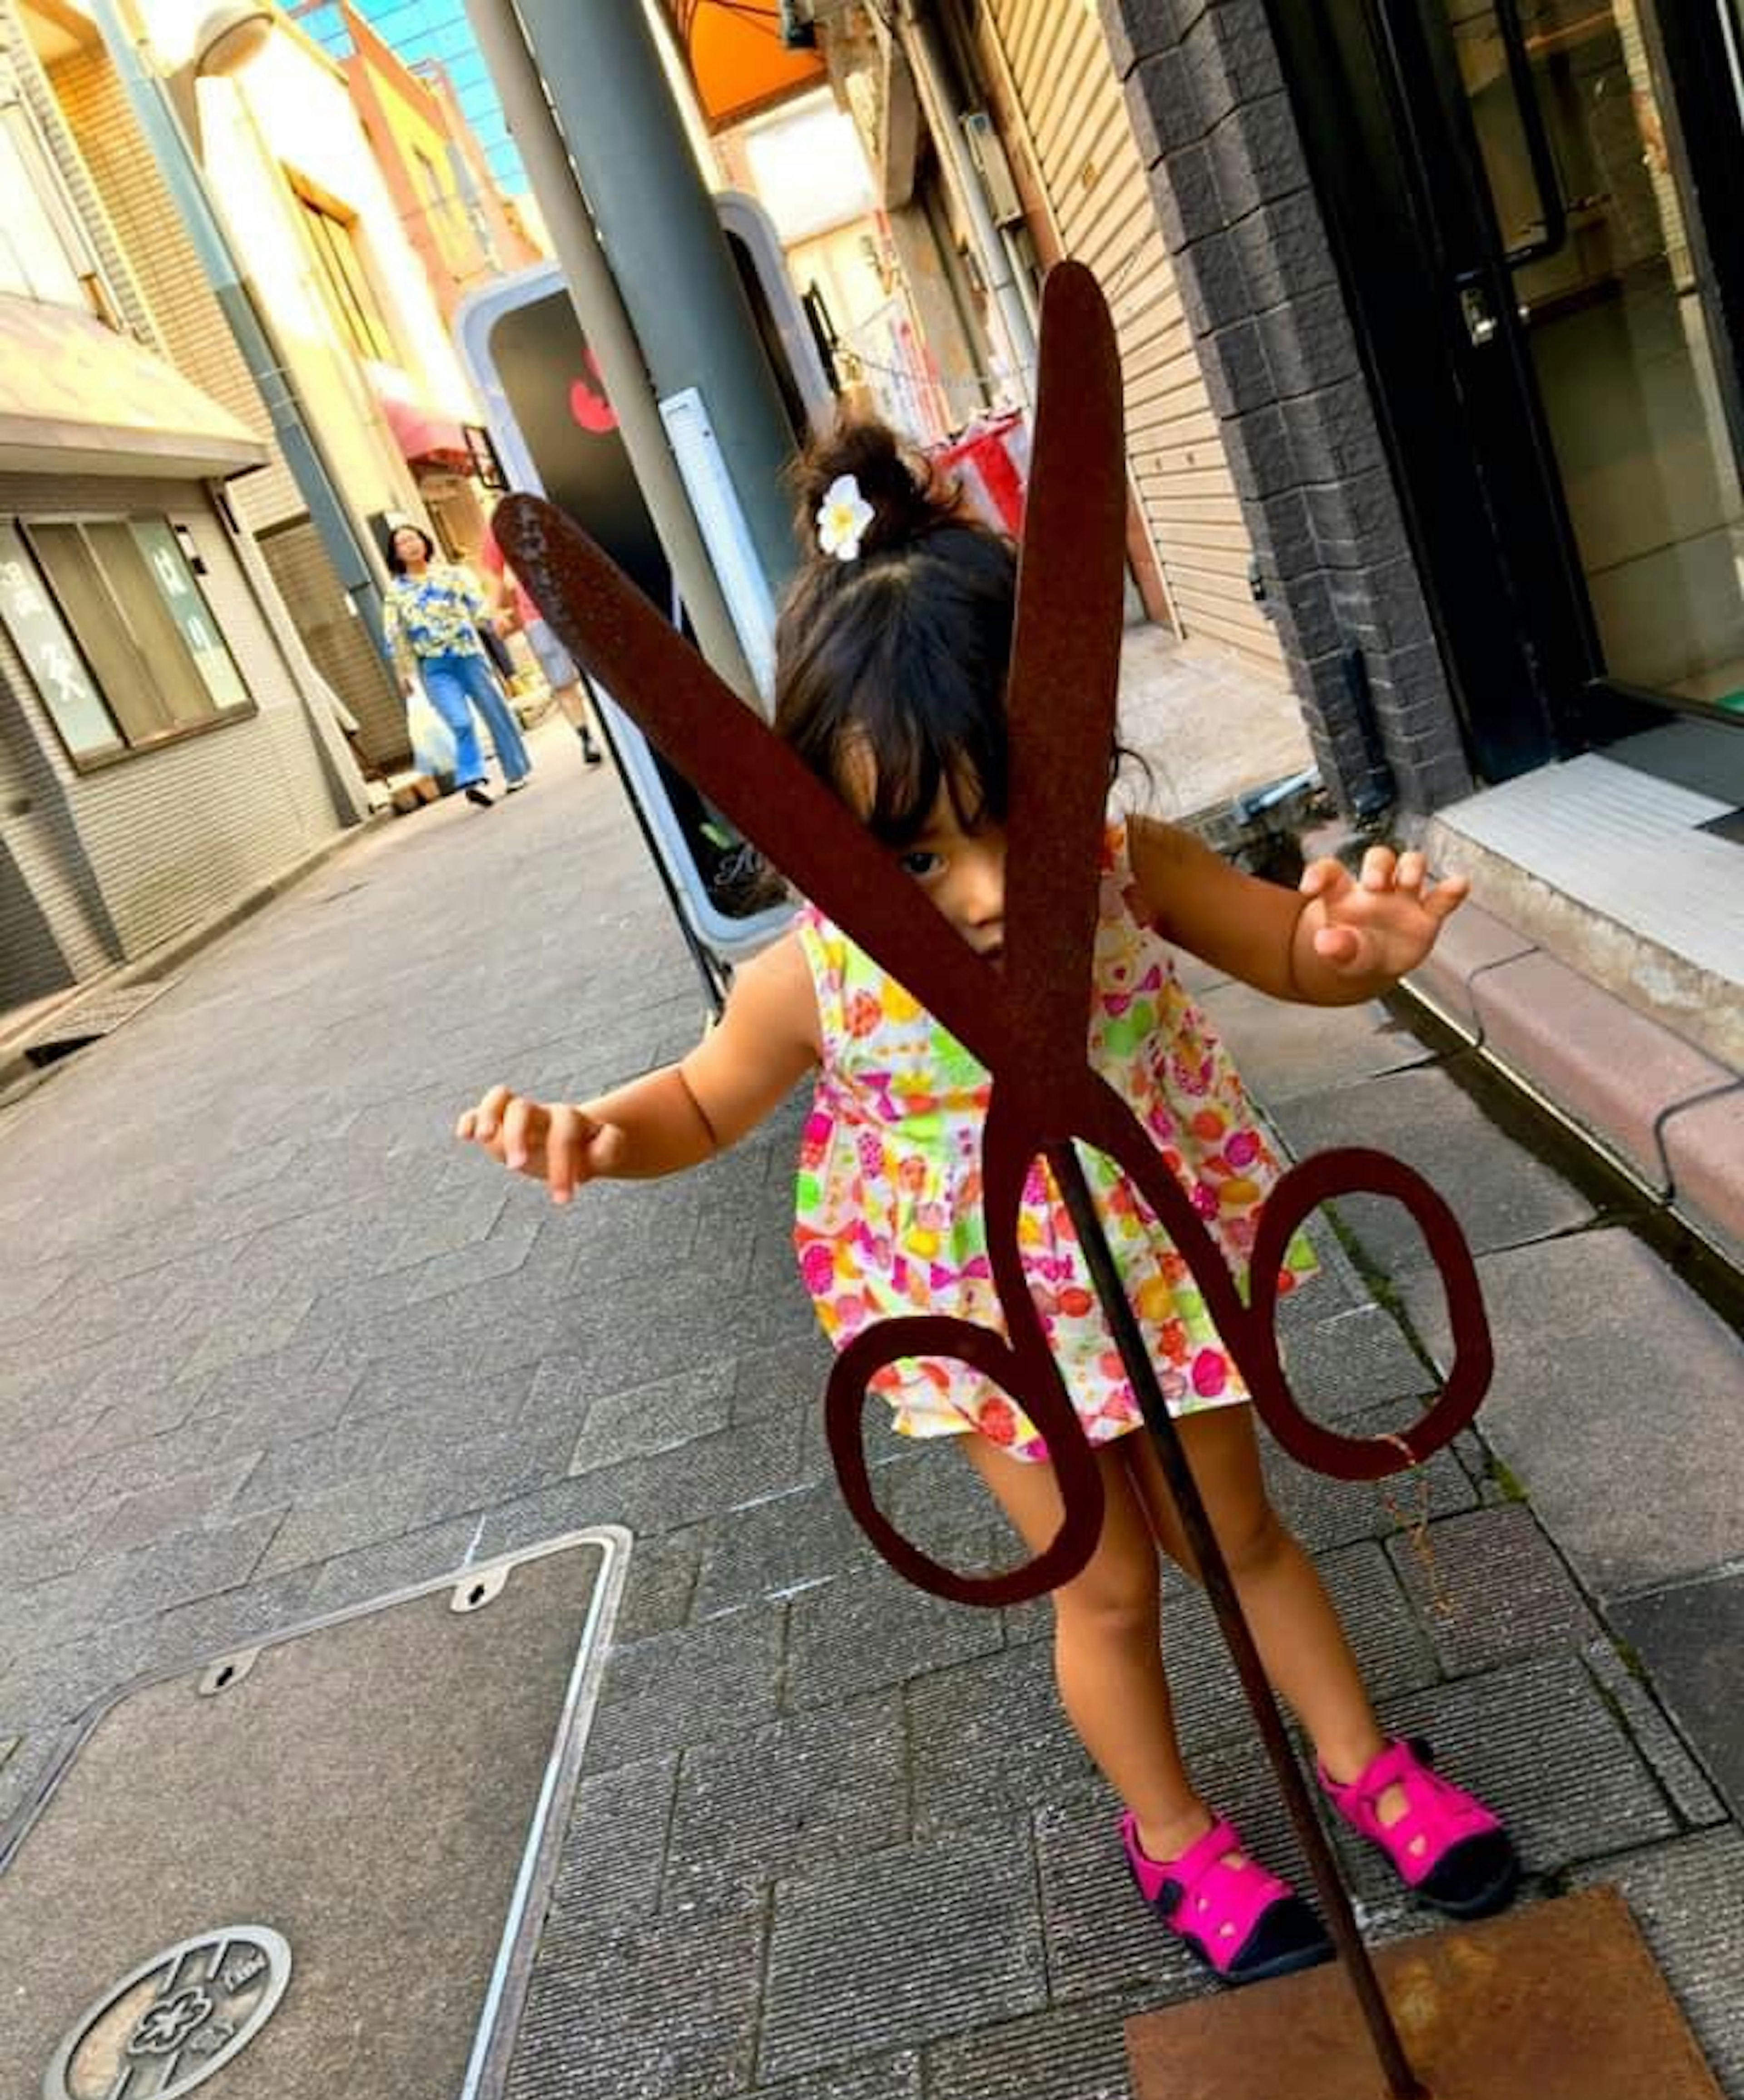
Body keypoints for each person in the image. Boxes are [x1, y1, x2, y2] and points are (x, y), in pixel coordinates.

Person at [456, 422, 1518, 1988]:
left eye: (1015, 817)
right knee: (1107, 1578)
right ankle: (1172, 1838)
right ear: (822, 828)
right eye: (918, 852)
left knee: (1239, 1533)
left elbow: (1289, 949)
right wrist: (598, 1136)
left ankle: (1364, 1764)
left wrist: (1349, 951)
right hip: (993, 1328)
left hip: (1159, 1269)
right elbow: (696, 1102)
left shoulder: (1121, 864)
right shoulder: (814, 975)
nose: (987, 888)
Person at [383, 523, 532, 807]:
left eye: (414, 538)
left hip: (469, 658)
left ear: (425, 542)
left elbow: (477, 608)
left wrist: (493, 620)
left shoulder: (452, 575)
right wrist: (402, 672)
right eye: (402, 543)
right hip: (435, 667)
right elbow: (393, 635)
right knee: (460, 722)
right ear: (396, 554)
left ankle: (515, 772)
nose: (411, 545)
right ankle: (473, 779)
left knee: (495, 712)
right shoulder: (396, 593)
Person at [479, 524, 605, 765]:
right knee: (562, 682)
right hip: (535, 614)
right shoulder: (500, 522)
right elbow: (493, 572)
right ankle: (586, 738)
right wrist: (495, 611)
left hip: (577, 600)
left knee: (603, 670)